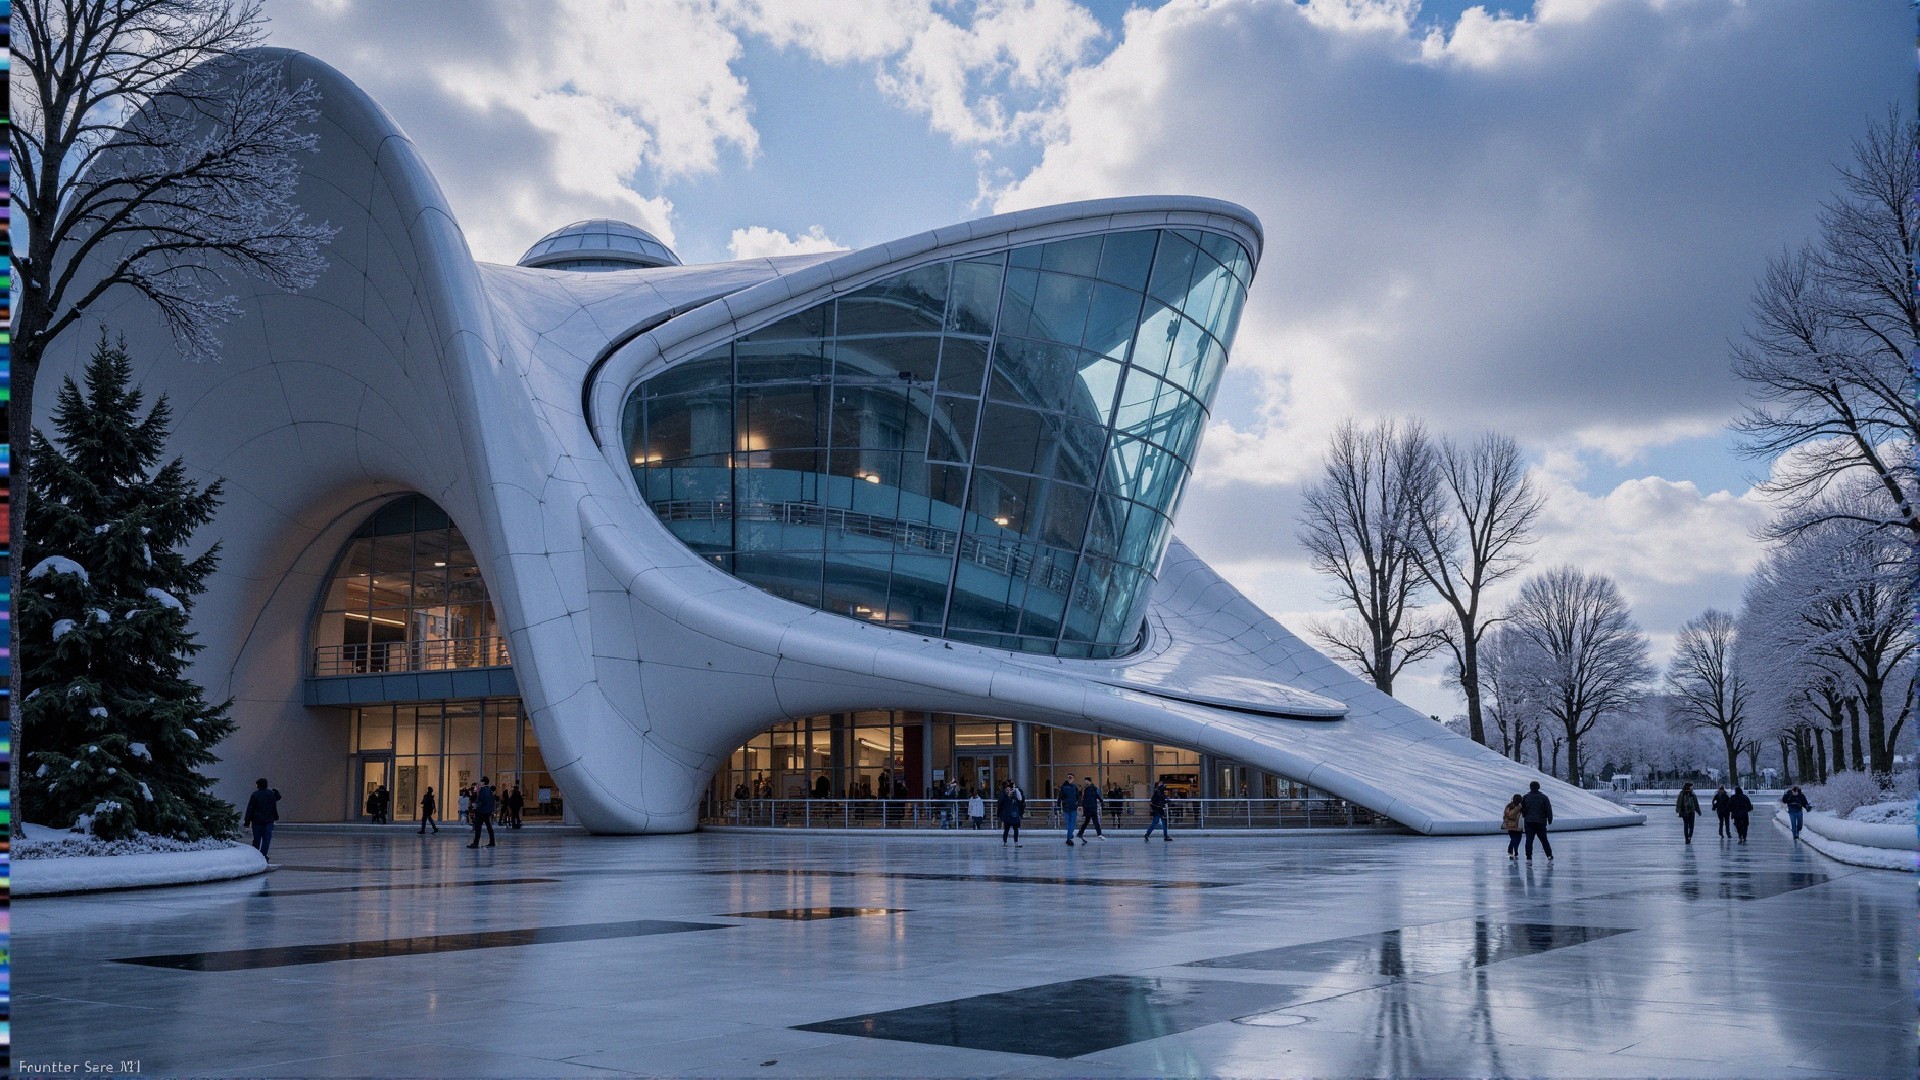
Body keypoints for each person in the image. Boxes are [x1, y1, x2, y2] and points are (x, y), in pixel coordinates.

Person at [243, 778, 281, 859]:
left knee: (256, 839)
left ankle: (255, 856)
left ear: (258, 785)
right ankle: (263, 855)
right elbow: (278, 798)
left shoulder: (255, 795)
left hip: (257, 821)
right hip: (269, 821)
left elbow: (250, 809)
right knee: (266, 839)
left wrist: (247, 823)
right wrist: (275, 791)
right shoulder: (271, 794)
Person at [1520, 780, 1553, 861]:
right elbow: (1548, 809)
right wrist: (1550, 818)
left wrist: (1525, 814)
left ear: (1530, 787)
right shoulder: (1544, 797)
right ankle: (1549, 855)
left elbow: (1521, 808)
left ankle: (1528, 856)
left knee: (1529, 839)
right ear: (1538, 787)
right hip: (1541, 821)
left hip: (1529, 821)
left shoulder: (1526, 797)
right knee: (1544, 840)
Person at [467, 776, 498, 848]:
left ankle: (476, 843)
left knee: (478, 827)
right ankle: (492, 841)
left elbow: (480, 801)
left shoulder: (482, 790)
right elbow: (491, 801)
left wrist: (476, 807)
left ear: (483, 782)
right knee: (489, 826)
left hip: (481, 811)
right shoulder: (489, 791)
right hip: (487, 811)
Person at [997, 780, 1025, 846]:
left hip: (1014, 815)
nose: (1008, 791)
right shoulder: (1003, 797)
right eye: (1007, 790)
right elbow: (1000, 805)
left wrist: (1016, 790)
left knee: (1015, 829)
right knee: (1006, 829)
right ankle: (1005, 842)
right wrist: (1000, 815)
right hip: (1007, 815)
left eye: (1010, 789)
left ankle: (1016, 842)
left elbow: (1020, 800)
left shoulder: (1015, 797)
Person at [1059, 774, 1081, 845]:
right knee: (1071, 823)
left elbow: (1060, 797)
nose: (1070, 779)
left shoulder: (1065, 787)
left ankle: (1069, 837)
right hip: (1070, 807)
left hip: (1069, 807)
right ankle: (1069, 837)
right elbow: (1077, 797)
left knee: (1070, 823)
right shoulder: (1072, 787)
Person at [1501, 794, 1524, 859]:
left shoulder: (1508, 806)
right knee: (1518, 838)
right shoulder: (1519, 806)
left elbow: (1505, 815)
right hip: (1516, 824)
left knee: (1513, 838)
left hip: (1508, 825)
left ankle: (1513, 850)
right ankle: (1512, 849)